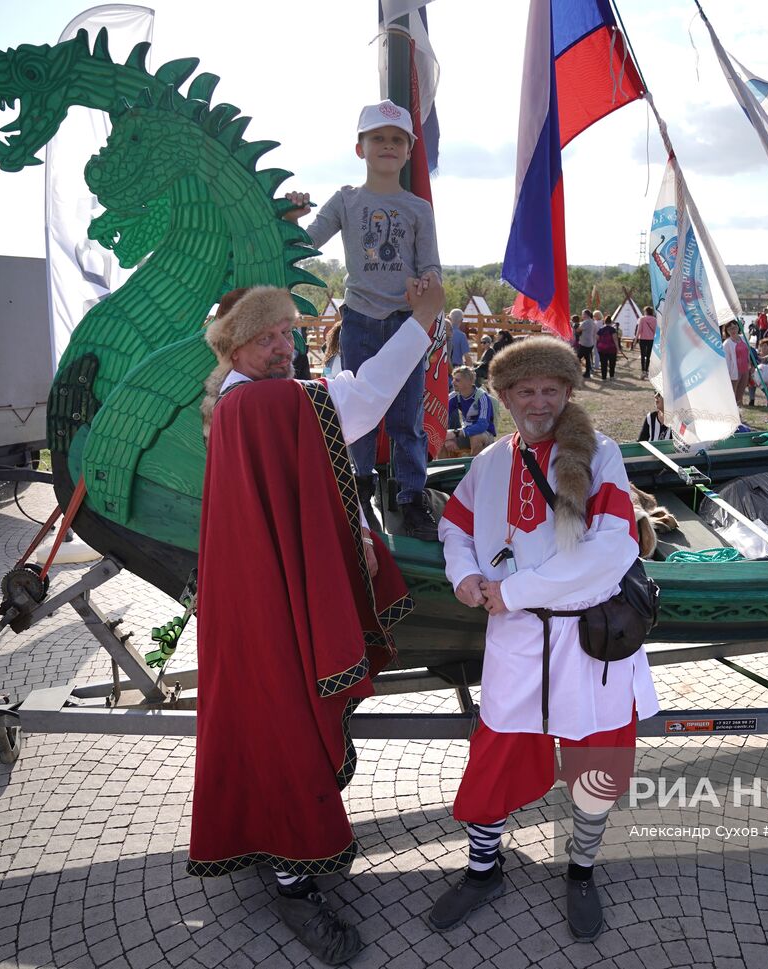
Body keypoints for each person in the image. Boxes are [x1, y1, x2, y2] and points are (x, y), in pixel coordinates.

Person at [191, 280, 446, 966]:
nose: (283, 345)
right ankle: (290, 874)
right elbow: (361, 398)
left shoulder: (233, 403)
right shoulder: (273, 401)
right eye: (266, 336)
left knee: (262, 714)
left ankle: (270, 849)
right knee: (284, 718)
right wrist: (422, 320)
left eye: (286, 332)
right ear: (235, 346)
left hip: (248, 595)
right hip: (268, 602)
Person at [432, 337, 657, 941]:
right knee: (496, 757)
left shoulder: (601, 454)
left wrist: (519, 589)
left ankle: (581, 870)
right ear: (503, 397)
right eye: (525, 391)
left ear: (567, 393)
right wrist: (466, 577)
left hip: (590, 645)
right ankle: (484, 869)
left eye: (551, 390)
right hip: (516, 642)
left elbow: (614, 548)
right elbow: (453, 528)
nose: (539, 401)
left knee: (597, 761)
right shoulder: (488, 464)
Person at [284, 100, 443, 540]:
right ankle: (358, 493)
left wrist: (427, 287)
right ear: (361, 149)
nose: (387, 146)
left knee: (407, 415)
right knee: (355, 411)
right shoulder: (347, 201)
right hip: (358, 320)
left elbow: (430, 264)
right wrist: (291, 219)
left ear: (408, 151)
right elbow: (306, 242)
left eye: (396, 140)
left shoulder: (417, 209)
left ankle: (412, 499)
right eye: (378, 139)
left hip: (402, 324)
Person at [443, 365, 497, 457]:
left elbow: (482, 426)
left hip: (485, 435)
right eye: (453, 379)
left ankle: (474, 469)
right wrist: (447, 439)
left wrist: (455, 433)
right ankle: (444, 469)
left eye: (457, 380)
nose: (453, 382)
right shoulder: (455, 395)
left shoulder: (482, 397)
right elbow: (441, 416)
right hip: (466, 433)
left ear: (469, 382)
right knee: (440, 438)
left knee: (475, 437)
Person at [723, 320, 750, 406]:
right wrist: (727, 375)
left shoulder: (743, 338)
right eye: (730, 329)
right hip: (734, 372)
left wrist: (751, 365)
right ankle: (733, 415)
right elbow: (726, 361)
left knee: (740, 395)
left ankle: (739, 416)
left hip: (745, 370)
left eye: (734, 328)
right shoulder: (727, 343)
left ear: (738, 327)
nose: (733, 330)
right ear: (727, 331)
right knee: (732, 395)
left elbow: (748, 353)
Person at [749, 337, 768, 407]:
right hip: (756, 377)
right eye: (761, 346)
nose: (763, 348)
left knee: (764, 384)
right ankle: (752, 400)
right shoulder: (756, 356)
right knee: (751, 381)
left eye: (765, 346)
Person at [596, 314, 621, 380]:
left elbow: (597, 338)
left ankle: (604, 377)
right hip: (611, 349)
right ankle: (611, 376)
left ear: (604, 321)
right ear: (611, 322)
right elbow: (615, 339)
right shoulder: (613, 330)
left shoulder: (601, 329)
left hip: (602, 349)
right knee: (612, 363)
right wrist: (618, 348)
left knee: (603, 363)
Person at [636, 305, 658, 378]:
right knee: (648, 356)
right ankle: (647, 370)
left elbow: (639, 330)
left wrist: (636, 339)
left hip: (642, 339)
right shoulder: (654, 319)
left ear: (646, 311)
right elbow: (655, 330)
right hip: (651, 339)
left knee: (642, 355)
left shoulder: (642, 319)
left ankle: (643, 371)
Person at [576, 309, 597, 378]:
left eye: (582, 314)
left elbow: (578, 330)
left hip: (585, 343)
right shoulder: (592, 322)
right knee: (587, 358)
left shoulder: (586, 322)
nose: (582, 315)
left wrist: (576, 327)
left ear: (585, 314)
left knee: (577, 358)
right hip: (590, 342)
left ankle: (576, 372)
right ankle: (587, 372)